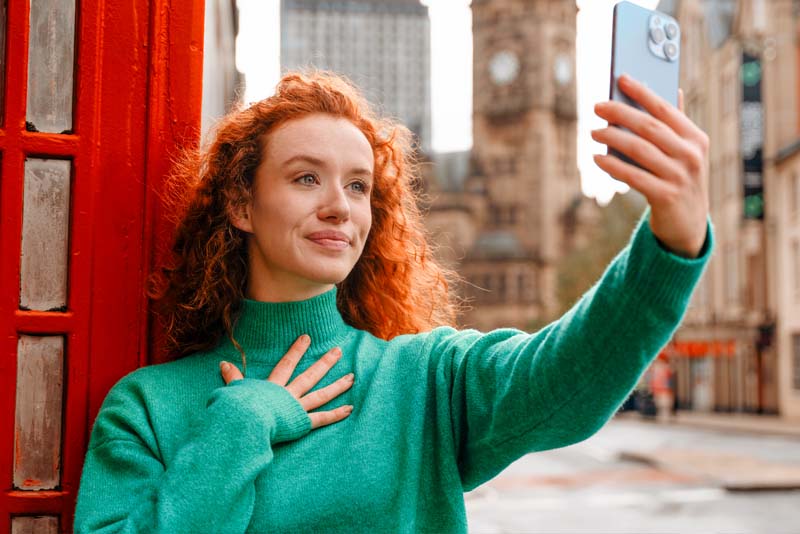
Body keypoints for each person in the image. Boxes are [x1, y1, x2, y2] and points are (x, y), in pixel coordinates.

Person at [74, 70, 713, 532]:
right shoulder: (148, 408)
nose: (338, 206)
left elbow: (565, 377)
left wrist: (672, 242)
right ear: (241, 204)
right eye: (305, 178)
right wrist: (240, 427)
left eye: (358, 186)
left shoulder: (425, 380)